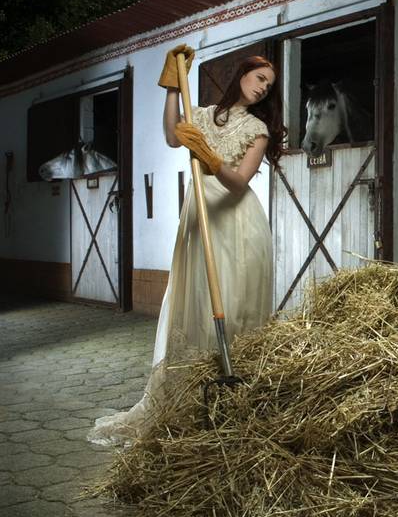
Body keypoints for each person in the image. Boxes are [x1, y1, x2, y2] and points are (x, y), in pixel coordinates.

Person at [89, 45, 284, 445]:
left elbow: (239, 181)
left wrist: (210, 157)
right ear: (241, 74)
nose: (264, 87)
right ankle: (193, 394)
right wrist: (172, 86)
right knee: (196, 303)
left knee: (233, 305)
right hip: (200, 220)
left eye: (270, 85)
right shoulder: (203, 115)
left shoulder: (257, 130)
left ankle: (234, 397)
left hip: (237, 224)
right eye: (260, 78)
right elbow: (170, 134)